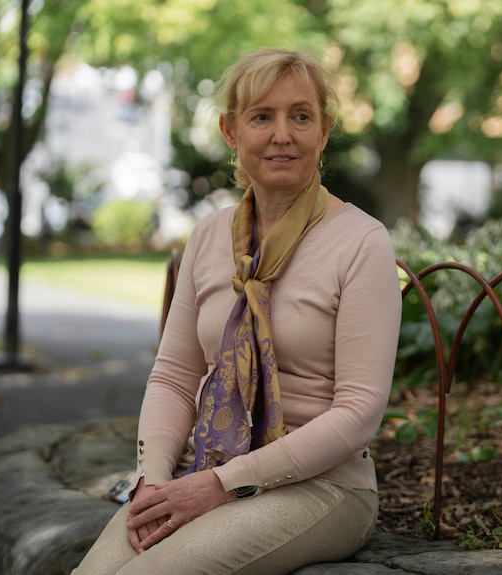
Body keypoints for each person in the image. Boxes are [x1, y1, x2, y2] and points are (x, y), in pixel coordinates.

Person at [73, 48, 402, 574]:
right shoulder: (208, 236)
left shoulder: (361, 242)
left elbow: (359, 411)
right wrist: (154, 483)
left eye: (301, 116)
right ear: (231, 131)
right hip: (199, 472)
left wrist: (219, 486)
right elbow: (175, 377)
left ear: (324, 130)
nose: (282, 134)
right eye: (261, 117)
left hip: (322, 489)